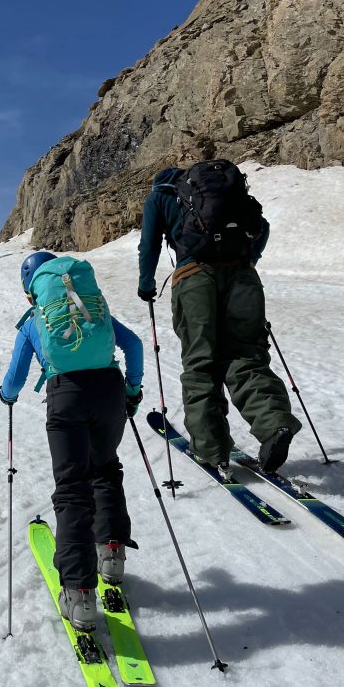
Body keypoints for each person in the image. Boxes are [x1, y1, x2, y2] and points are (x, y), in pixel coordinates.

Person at [0, 251, 144, 632]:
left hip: (66, 396)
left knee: (72, 488)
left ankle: (80, 594)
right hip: (110, 389)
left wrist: (7, 396)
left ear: (31, 290)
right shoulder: (92, 311)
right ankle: (111, 556)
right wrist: (132, 389)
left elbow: (15, 377)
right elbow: (133, 345)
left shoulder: (35, 320)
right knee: (106, 469)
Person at [138, 161, 301, 475]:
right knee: (247, 356)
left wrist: (146, 286)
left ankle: (212, 449)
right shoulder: (226, 191)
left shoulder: (159, 196)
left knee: (201, 363)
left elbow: (149, 245)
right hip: (242, 278)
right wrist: (248, 261)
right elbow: (262, 227)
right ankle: (274, 423)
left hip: (193, 280)